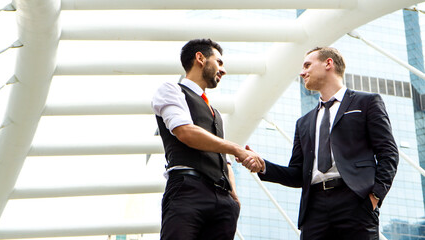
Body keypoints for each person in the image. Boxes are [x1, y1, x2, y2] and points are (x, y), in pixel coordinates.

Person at [241, 47, 399, 239]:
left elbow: (388, 152)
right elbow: (297, 174)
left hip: (355, 201)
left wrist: (375, 196)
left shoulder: (366, 103)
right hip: (314, 207)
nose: (302, 72)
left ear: (328, 63)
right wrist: (263, 166)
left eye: (307, 65)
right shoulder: (304, 122)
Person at [152, 38, 263, 240]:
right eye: (219, 62)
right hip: (188, 190)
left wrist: (233, 196)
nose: (223, 70)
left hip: (223, 202)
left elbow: (223, 158)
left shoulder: (216, 113)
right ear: (200, 58)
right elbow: (185, 131)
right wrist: (237, 149)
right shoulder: (172, 90)